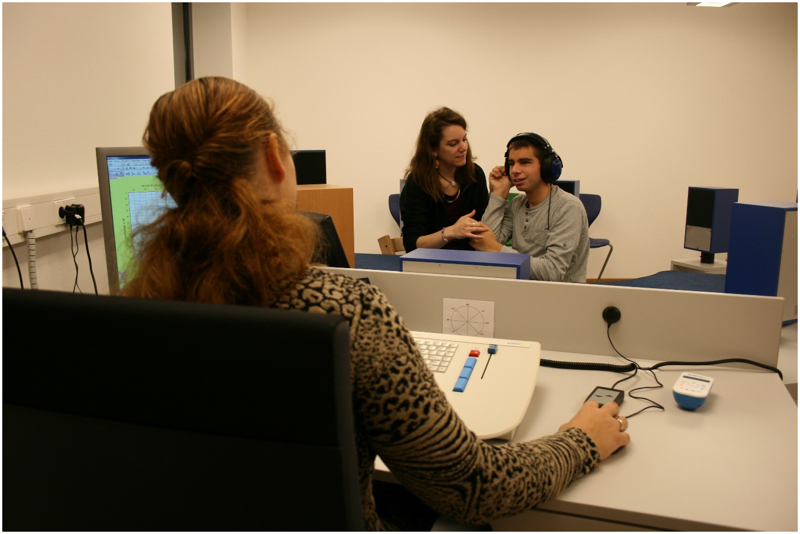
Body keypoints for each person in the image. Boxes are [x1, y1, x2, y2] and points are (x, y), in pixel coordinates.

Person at [122, 78, 629, 531]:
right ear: (276, 157)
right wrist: (581, 439)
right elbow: (473, 486)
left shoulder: (137, 308)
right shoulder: (342, 312)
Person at [473, 133, 590, 282]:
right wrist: (498, 193)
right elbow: (485, 242)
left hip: (560, 297)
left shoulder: (568, 207)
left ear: (548, 166)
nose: (515, 170)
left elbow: (551, 272)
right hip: (521, 289)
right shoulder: (517, 204)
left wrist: (496, 249)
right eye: (511, 163)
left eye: (525, 162)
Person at [399, 107, 491, 252]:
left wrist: (498, 192)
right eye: (453, 144)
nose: (463, 148)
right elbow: (412, 245)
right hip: (432, 265)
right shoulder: (417, 183)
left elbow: (486, 230)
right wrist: (450, 232)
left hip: (473, 263)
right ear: (433, 149)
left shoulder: (475, 174)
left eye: (464, 139)